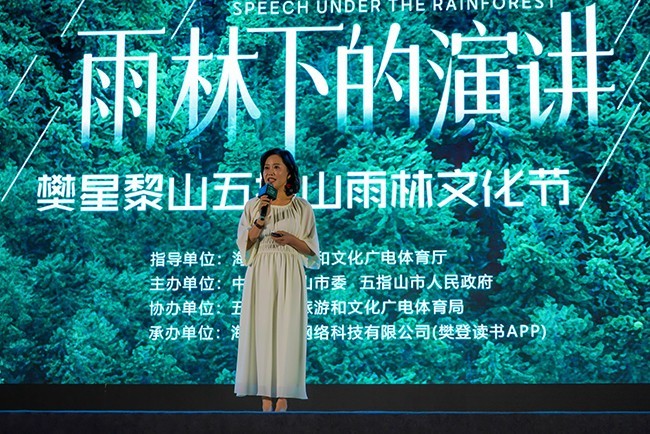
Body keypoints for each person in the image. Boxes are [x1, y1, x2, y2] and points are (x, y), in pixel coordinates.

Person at [234, 148, 320, 412]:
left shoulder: (302, 207)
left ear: (289, 173)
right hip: (261, 271)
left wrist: (292, 240)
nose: (270, 172)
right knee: (261, 329)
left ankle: (283, 397)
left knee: (287, 331)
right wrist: (261, 217)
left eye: (276, 167)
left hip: (290, 271)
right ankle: (264, 397)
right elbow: (245, 244)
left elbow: (312, 251)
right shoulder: (254, 205)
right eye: (266, 168)